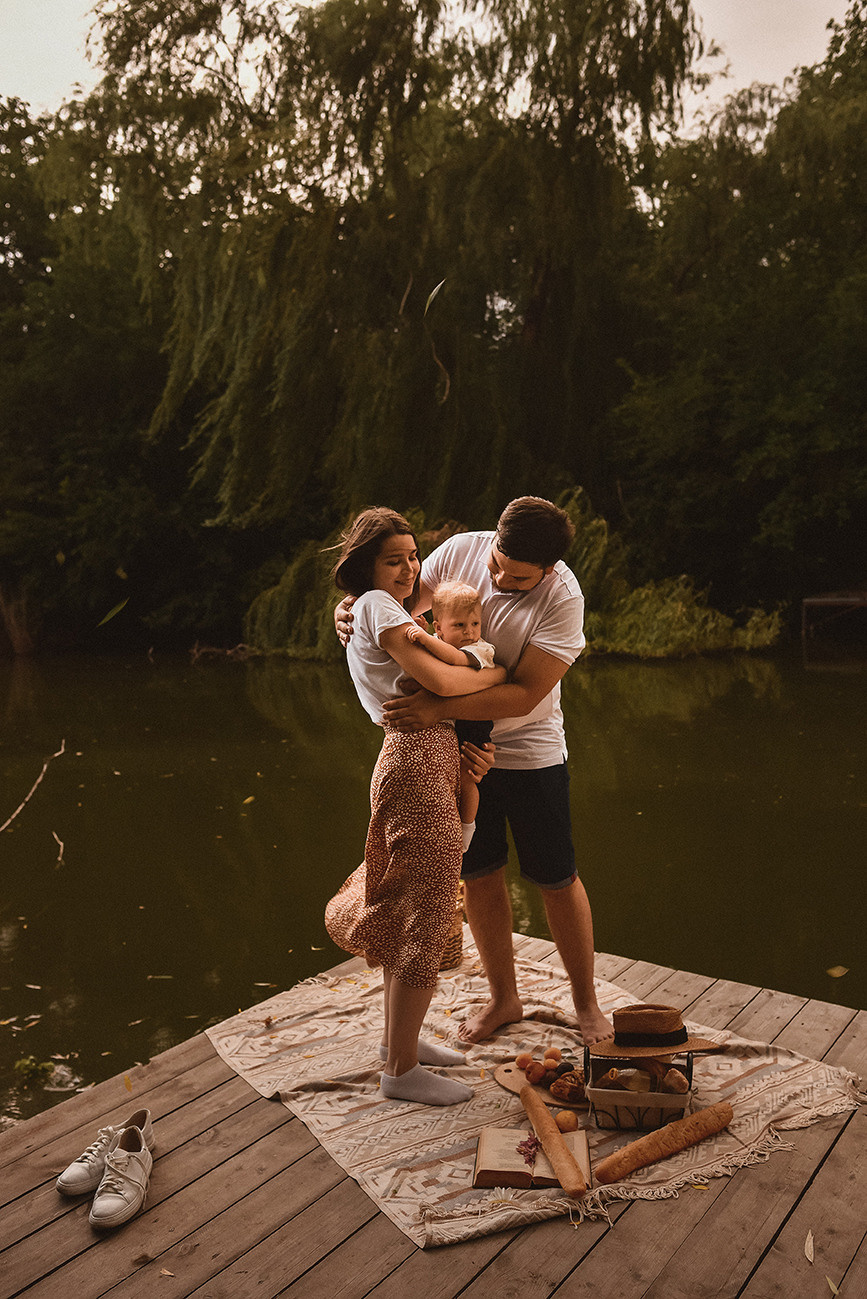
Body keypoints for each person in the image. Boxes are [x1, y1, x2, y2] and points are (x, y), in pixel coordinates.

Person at [336, 496, 613, 1048]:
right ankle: (503, 998)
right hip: (456, 748)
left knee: (555, 876)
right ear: (493, 543)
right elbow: (393, 602)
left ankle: (586, 1004)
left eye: (518, 580)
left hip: (528, 745)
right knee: (480, 872)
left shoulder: (564, 597)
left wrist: (439, 707)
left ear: (549, 570)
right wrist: (347, 610)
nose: (501, 582)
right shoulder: (463, 550)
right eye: (498, 567)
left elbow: (526, 691)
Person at [324, 507, 505, 1106]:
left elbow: (445, 677)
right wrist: (494, 669)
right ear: (366, 566)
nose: (408, 568)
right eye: (393, 559)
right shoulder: (377, 606)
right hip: (413, 759)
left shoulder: (385, 609)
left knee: (419, 898)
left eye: (411, 556)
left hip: (423, 754)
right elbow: (448, 683)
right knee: (422, 913)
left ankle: (397, 1044)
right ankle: (400, 1072)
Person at [403, 580, 496, 749]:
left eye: (475, 623)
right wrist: (421, 634)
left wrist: (425, 639)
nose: (469, 631)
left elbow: (455, 658)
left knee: (469, 754)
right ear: (438, 629)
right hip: (443, 717)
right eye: (459, 625)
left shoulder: (481, 649)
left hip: (472, 718)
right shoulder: (438, 642)